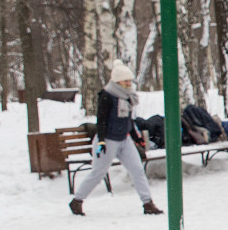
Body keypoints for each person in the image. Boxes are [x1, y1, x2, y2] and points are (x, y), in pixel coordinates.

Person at [68, 61, 162, 216]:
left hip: (124, 139)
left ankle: (147, 203)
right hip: (108, 140)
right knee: (98, 173)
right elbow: (102, 120)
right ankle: (77, 201)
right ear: (117, 81)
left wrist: (135, 137)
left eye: (129, 81)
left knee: (137, 170)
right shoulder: (107, 95)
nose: (128, 83)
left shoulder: (128, 97)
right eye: (125, 81)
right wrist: (102, 140)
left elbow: (128, 119)